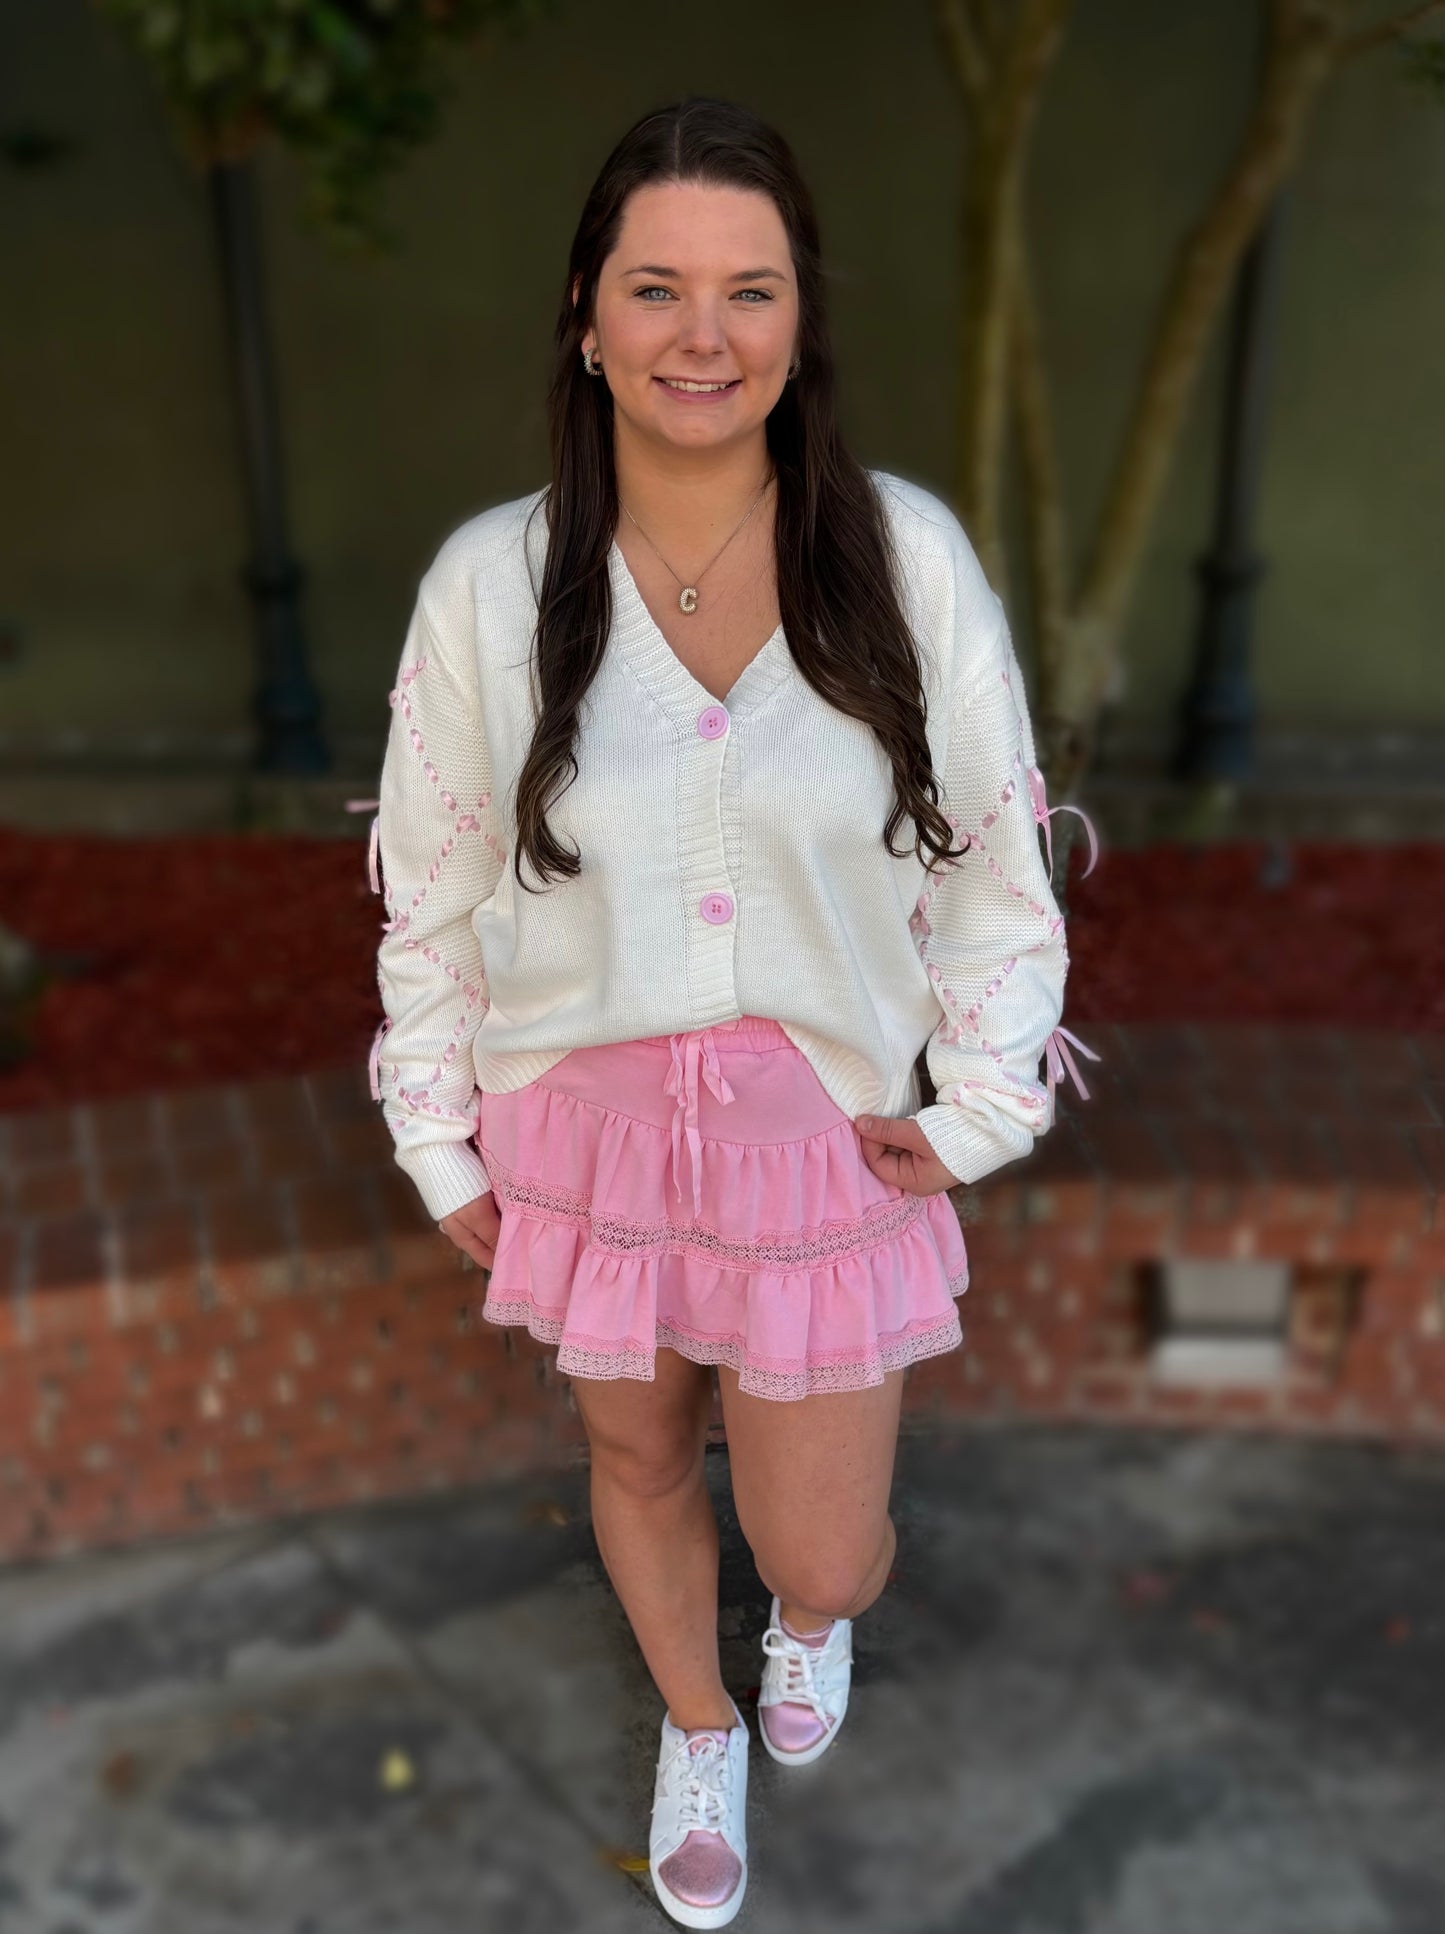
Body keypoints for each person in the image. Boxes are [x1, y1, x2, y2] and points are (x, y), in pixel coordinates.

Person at [369, 95, 1094, 1931]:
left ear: (796, 320)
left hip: (818, 1137)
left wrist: (985, 1095)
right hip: (586, 1124)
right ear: (587, 316)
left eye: (747, 290)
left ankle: (806, 1623)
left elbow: (999, 862)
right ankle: (696, 1718)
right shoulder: (489, 588)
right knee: (631, 1452)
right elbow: (433, 879)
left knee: (822, 1541)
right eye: (659, 287)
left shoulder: (901, 559)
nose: (705, 335)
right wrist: (437, 1123)